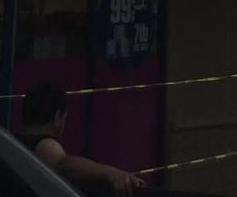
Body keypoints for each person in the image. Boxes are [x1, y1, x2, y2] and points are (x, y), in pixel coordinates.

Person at [17, 80, 145, 193]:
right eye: (65, 118)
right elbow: (63, 163)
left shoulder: (13, 144)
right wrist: (111, 173)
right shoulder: (45, 144)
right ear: (57, 118)